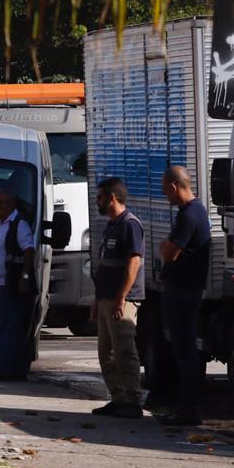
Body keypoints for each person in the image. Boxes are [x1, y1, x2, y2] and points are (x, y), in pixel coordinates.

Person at [157, 165, 211, 426]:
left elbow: (170, 251)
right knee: (183, 348)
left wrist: (166, 246)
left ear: (174, 187)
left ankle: (188, 408)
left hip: (184, 291)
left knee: (184, 349)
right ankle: (185, 405)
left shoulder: (190, 215)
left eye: (165, 190)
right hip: (184, 289)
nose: (165, 195)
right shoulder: (192, 212)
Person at [91, 177, 145, 419]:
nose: (97, 202)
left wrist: (122, 297)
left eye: (100, 197)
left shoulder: (129, 225)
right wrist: (96, 300)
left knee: (124, 351)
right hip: (105, 298)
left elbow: (134, 262)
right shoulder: (111, 225)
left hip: (121, 300)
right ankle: (118, 397)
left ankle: (132, 401)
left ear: (112, 197)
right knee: (106, 353)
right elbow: (105, 266)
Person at [0, 189, 35, 381]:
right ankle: (8, 366)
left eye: (3, 203)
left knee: (10, 327)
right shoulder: (0, 224)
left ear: (13, 204)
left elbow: (29, 250)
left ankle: (7, 368)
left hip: (11, 284)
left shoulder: (18, 224)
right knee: (5, 325)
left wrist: (25, 276)